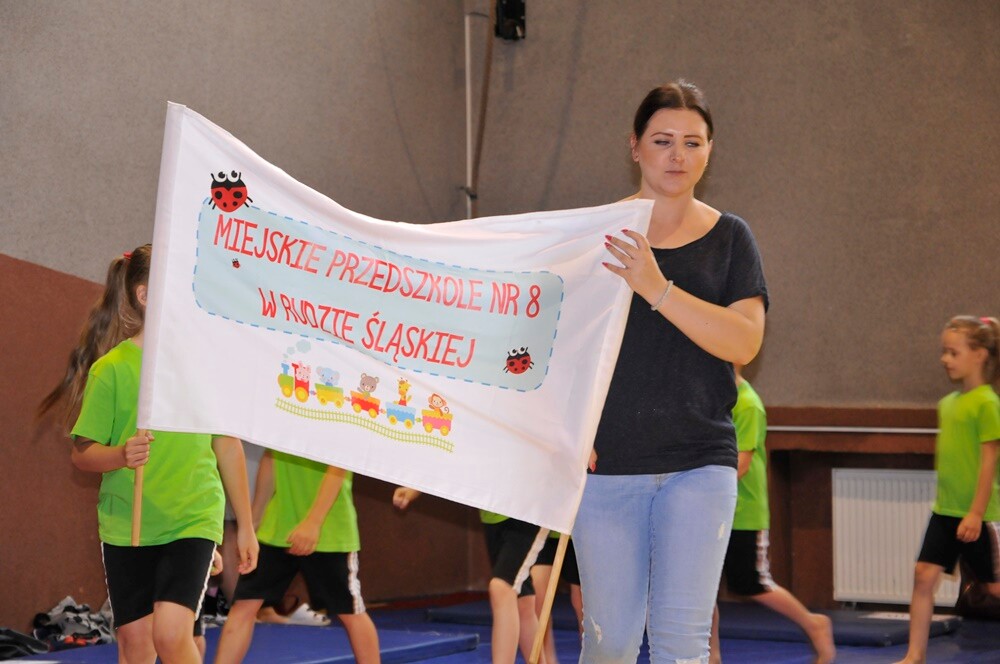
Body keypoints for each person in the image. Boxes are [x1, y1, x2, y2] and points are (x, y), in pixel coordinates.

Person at [573, 79, 768, 663]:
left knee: (681, 644)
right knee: (610, 643)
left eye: (692, 142)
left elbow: (744, 341)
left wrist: (656, 288)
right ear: (635, 146)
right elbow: (556, 345)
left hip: (700, 464)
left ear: (710, 151)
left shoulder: (731, 238)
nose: (677, 155)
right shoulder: (595, 237)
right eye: (662, 141)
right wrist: (570, 426)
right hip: (607, 467)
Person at [37, 244, 259, 664]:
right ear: (144, 295)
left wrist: (246, 527)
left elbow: (227, 445)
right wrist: (120, 455)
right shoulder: (112, 370)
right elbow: (82, 455)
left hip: (192, 516)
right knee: (136, 647)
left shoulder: (204, 364)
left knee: (172, 634)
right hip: (129, 525)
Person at [707, 364, 835, 664]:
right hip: (710, 512)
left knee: (752, 583)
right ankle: (711, 654)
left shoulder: (747, 403)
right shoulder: (711, 399)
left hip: (743, 513)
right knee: (702, 587)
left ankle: (812, 622)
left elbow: (741, 465)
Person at [894, 315, 1000, 664]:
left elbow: (989, 463)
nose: (945, 359)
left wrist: (975, 513)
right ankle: (915, 655)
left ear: (980, 355)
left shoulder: (987, 403)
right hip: (945, 511)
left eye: (954, 353)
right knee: (923, 575)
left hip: (980, 514)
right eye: (944, 352)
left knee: (994, 587)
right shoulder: (948, 404)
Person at [215, 451, 381, 664]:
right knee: (244, 605)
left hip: (328, 532)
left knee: (349, 611)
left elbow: (339, 464)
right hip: (276, 529)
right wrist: (254, 520)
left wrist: (314, 522)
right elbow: (271, 458)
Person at [393, 489, 548, 664]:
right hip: (494, 512)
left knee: (502, 587)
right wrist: (414, 490)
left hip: (528, 509)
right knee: (522, 602)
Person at [531, 533, 584, 664]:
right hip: (544, 530)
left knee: (583, 604)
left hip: (578, 533)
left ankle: (591, 658)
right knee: (537, 600)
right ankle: (548, 661)